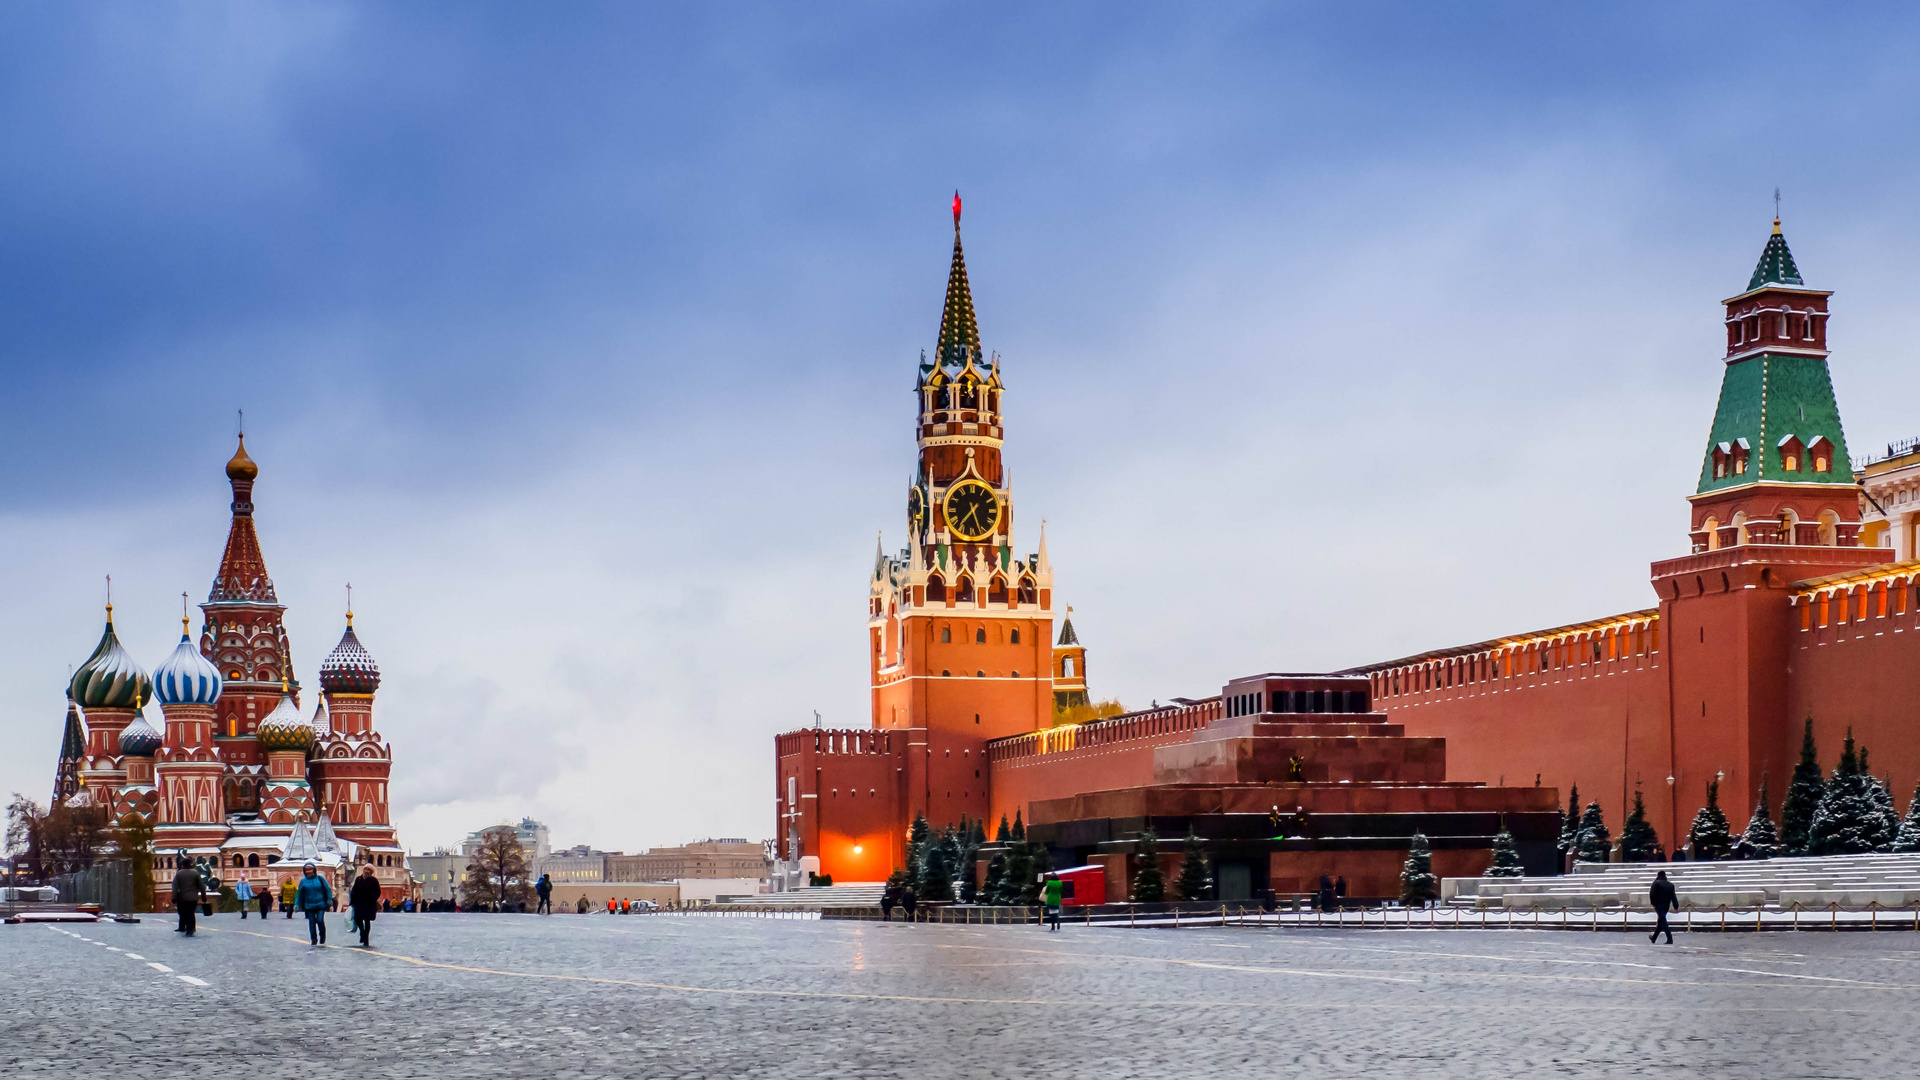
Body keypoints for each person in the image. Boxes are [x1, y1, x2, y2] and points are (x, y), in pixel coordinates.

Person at [296, 863, 334, 946]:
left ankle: (322, 936)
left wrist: (329, 899)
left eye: (310, 869)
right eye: (307, 870)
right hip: (309, 905)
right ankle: (313, 939)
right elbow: (299, 893)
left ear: (314, 870)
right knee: (312, 922)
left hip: (321, 904)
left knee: (320, 920)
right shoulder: (303, 881)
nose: (309, 871)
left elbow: (327, 889)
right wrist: (297, 904)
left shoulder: (320, 879)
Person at [349, 865, 381, 948]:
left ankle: (366, 938)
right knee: (357, 919)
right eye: (366, 869)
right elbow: (354, 891)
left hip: (369, 903)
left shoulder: (374, 881)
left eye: (369, 870)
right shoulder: (358, 879)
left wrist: (372, 898)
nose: (366, 871)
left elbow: (377, 892)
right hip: (359, 903)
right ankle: (362, 933)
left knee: (367, 920)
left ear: (371, 872)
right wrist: (352, 901)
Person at [171, 855, 203, 936]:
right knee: (191, 913)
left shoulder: (179, 874)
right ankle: (191, 928)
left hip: (182, 897)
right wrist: (203, 896)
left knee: (182, 913)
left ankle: (182, 927)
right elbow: (201, 886)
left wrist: (174, 897)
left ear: (182, 865)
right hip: (193, 897)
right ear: (190, 864)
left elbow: (175, 887)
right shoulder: (195, 873)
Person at [1649, 869, 1677, 945]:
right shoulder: (1670, 885)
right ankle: (1654, 938)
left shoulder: (1656, 884)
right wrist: (1676, 906)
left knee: (1663, 921)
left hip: (1658, 904)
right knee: (1661, 922)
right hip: (1666, 905)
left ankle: (1670, 938)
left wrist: (1653, 903)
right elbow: (1673, 896)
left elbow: (1652, 894)